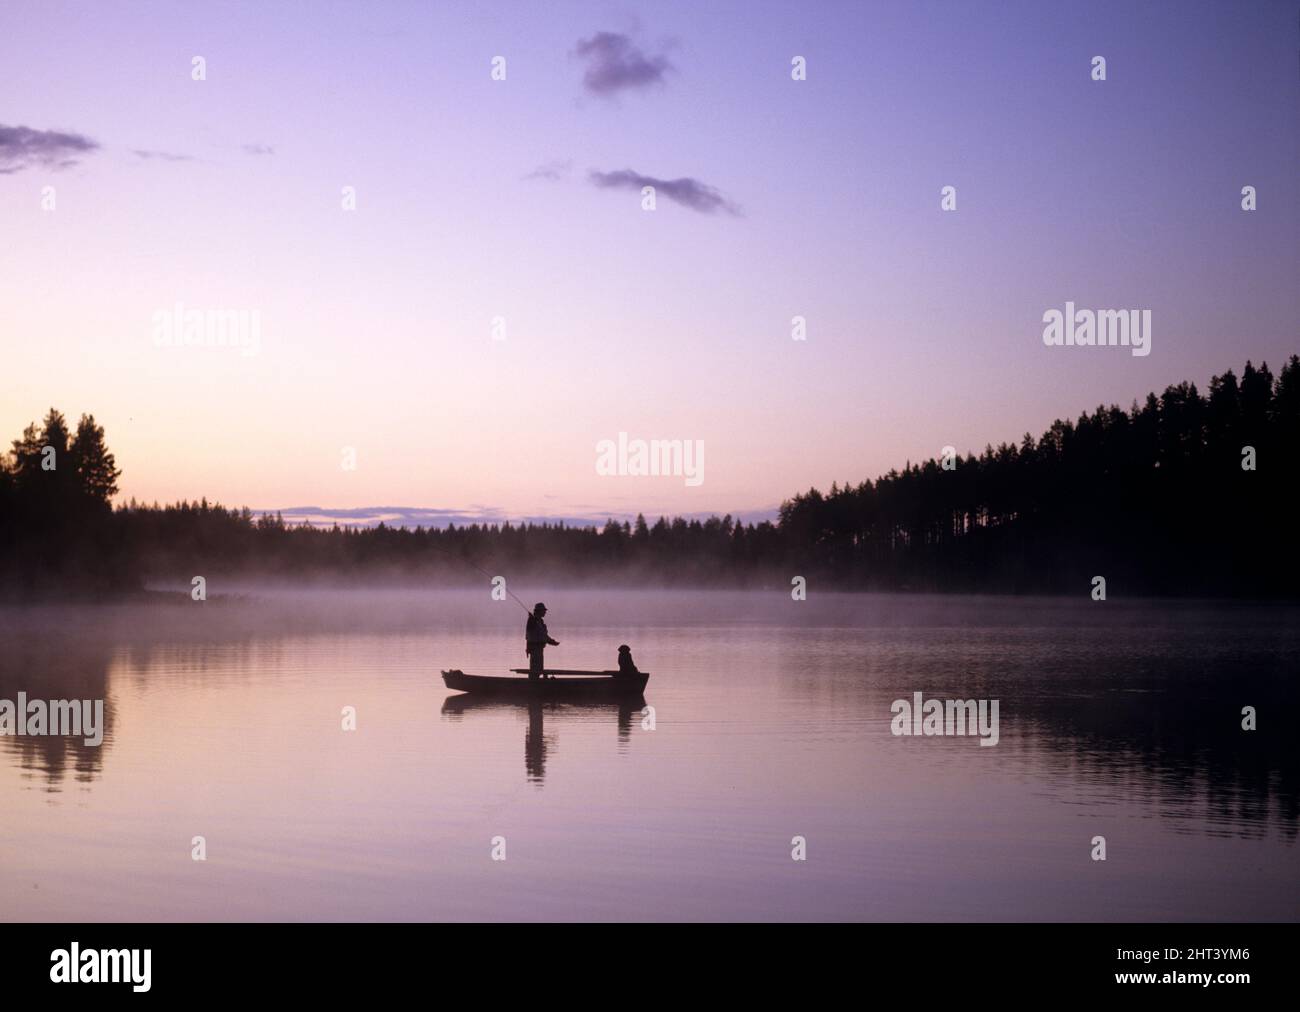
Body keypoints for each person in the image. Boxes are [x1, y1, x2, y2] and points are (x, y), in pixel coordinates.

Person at [525, 603, 559, 679]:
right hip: (535, 649)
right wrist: (527, 648)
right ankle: (533, 685)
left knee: (539, 669)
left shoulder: (539, 621)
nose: (545, 612)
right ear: (539, 611)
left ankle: (535, 683)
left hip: (539, 649)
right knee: (535, 670)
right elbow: (529, 636)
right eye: (543, 611)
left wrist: (551, 641)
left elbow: (543, 636)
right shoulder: (532, 621)